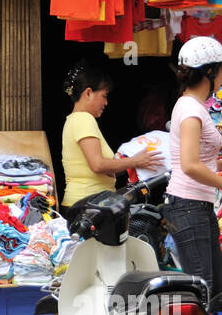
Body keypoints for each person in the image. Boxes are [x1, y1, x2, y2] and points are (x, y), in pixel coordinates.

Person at [166, 37, 222, 295]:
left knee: (212, 287)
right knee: (201, 289)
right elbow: (190, 164)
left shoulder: (193, 106)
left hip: (195, 206)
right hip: (187, 206)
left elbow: (196, 158)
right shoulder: (191, 110)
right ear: (209, 71)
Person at [60, 63, 157, 211]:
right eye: (104, 96)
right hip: (88, 206)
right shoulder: (84, 119)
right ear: (88, 93)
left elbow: (105, 168)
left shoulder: (74, 119)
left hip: (86, 203)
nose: (106, 103)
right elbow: (98, 165)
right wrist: (135, 161)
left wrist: (131, 161)